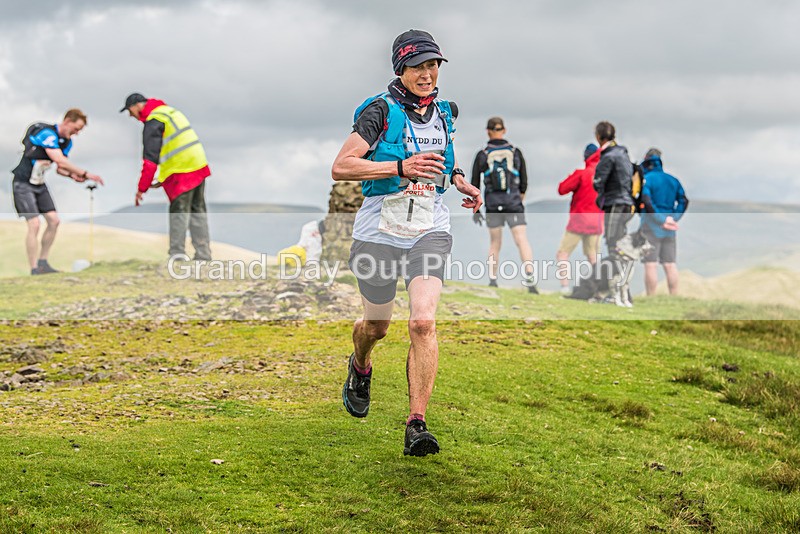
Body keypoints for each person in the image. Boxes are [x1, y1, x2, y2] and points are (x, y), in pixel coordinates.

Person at [331, 29, 482, 457]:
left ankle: (417, 423)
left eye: (434, 65)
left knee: (422, 321)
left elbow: (443, 165)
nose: (428, 74)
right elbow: (341, 167)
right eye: (419, 66)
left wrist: (460, 182)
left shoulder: (446, 113)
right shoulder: (379, 112)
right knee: (376, 326)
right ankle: (360, 365)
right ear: (401, 68)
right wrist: (400, 166)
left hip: (429, 229)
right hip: (379, 232)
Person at [11, 109, 104, 275]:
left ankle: (43, 263)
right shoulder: (47, 134)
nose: (76, 133)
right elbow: (59, 159)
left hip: (39, 183)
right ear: (67, 121)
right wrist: (86, 173)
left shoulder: (66, 142)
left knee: (54, 221)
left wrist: (73, 176)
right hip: (23, 183)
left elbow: (61, 168)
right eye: (76, 128)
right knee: (35, 224)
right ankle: (33, 269)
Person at [121, 93, 212, 261]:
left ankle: (177, 255)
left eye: (129, 111)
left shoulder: (154, 120)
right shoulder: (170, 112)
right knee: (197, 210)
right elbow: (176, 145)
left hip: (181, 171)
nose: (130, 115)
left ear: (136, 106)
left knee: (179, 213)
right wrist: (162, 179)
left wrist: (141, 189)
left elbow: (150, 161)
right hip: (198, 164)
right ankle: (203, 254)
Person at [470, 117, 537, 292]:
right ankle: (530, 278)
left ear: (488, 131)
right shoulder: (515, 151)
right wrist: (519, 198)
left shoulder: (482, 154)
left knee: (495, 242)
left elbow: (474, 184)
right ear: (504, 130)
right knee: (521, 239)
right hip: (514, 202)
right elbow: (524, 180)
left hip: (493, 204)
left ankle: (493, 280)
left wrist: (476, 210)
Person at [592, 121, 635, 306]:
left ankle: (612, 293)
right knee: (622, 249)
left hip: (614, 204)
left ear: (598, 136)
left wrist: (600, 194)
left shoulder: (608, 156)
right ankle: (624, 292)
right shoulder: (624, 154)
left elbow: (598, 182)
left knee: (613, 247)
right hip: (626, 204)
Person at [638, 148, 688, 295]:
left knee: (650, 264)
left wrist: (661, 220)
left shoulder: (647, 180)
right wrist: (673, 218)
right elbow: (683, 201)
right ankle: (674, 297)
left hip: (650, 226)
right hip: (670, 229)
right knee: (670, 264)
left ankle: (651, 298)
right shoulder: (673, 180)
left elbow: (647, 202)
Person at [556, 143, 603, 294]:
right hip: (596, 223)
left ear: (585, 156)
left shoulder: (582, 174)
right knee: (593, 257)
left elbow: (562, 189)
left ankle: (564, 287)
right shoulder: (603, 175)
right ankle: (597, 288)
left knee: (563, 254)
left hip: (578, 222)